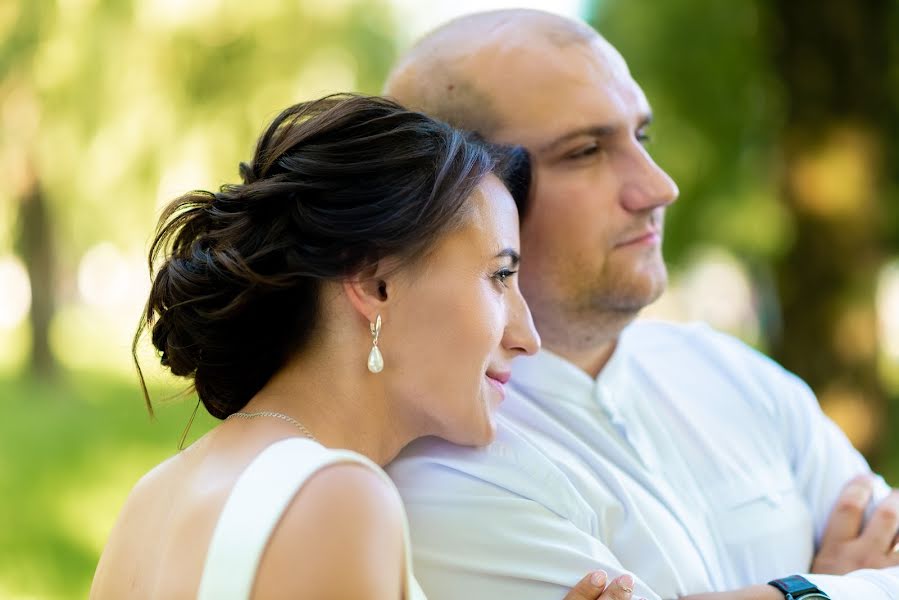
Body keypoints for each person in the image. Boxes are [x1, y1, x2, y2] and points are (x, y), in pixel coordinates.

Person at [383, 9, 899, 600]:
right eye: (585, 151)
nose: (658, 187)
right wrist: (826, 587)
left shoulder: (735, 374)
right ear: (461, 198)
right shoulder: (441, 469)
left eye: (641, 136)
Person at [89, 94, 640, 600]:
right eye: (499, 276)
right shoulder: (339, 499)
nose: (528, 338)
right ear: (376, 284)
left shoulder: (153, 498)